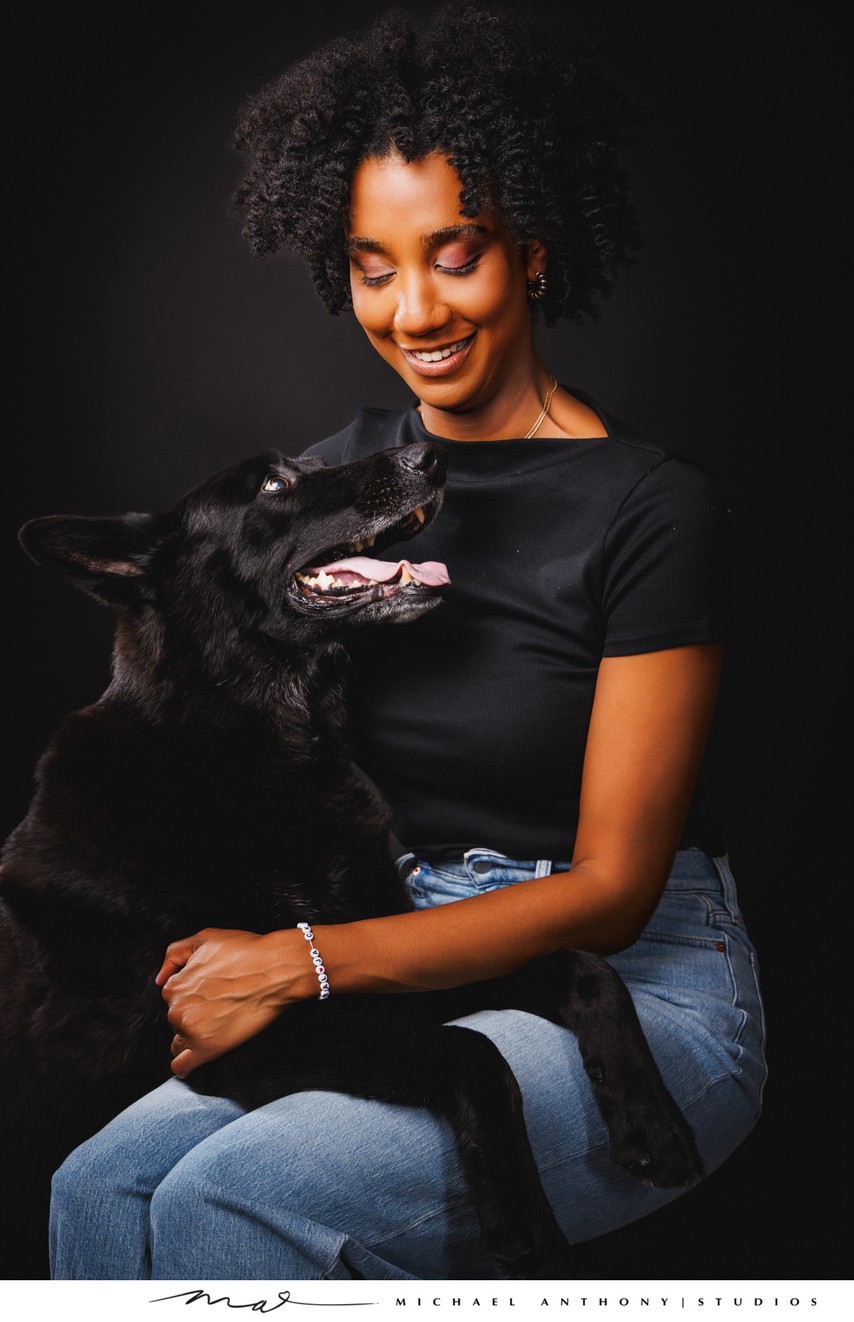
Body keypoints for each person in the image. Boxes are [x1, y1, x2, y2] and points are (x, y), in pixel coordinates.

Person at [49, 2, 766, 1281]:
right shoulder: (332, 486)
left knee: (235, 1199)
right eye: (373, 266)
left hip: (629, 989)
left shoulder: (653, 508)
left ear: (532, 251)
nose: (413, 307)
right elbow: (207, 722)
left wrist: (300, 963)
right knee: (97, 1182)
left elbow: (611, 892)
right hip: (389, 949)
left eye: (455, 253)